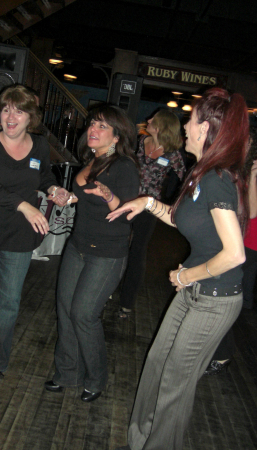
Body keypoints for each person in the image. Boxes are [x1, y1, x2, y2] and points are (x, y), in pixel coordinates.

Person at [108, 87, 249, 449]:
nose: (185, 125)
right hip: (195, 292)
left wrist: (187, 275)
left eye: (191, 118)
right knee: (157, 362)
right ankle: (140, 439)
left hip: (214, 298)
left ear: (205, 130)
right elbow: (178, 217)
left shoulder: (218, 179)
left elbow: (234, 254)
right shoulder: (200, 174)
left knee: (175, 381)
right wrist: (147, 203)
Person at [0, 84, 70, 380]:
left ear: (29, 117)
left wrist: (53, 188)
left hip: (19, 232)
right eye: (6, 109)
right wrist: (26, 205)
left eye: (19, 111)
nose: (11, 116)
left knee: (8, 299)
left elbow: (44, 174)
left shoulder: (40, 145)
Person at [45, 104, 140, 402]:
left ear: (116, 136)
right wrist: (69, 196)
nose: (93, 130)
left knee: (84, 314)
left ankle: (95, 379)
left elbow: (127, 213)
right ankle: (67, 373)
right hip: (78, 246)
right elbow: (87, 199)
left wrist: (110, 196)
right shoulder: (91, 159)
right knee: (65, 309)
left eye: (101, 126)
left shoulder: (123, 166)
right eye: (92, 125)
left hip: (107, 253)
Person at [118, 109, 185, 318]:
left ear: (161, 127)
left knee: (138, 251)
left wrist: (173, 204)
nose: (147, 120)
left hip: (149, 207)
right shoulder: (140, 141)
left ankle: (127, 301)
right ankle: (108, 288)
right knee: (117, 246)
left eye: (153, 120)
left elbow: (186, 182)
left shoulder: (173, 154)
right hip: (127, 200)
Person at [204, 126, 257, 376]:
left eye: (246, 143)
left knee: (224, 294)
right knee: (226, 295)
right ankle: (220, 351)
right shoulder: (238, 171)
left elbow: (252, 211)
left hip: (249, 244)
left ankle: (223, 353)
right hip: (241, 240)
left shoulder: (252, 171)